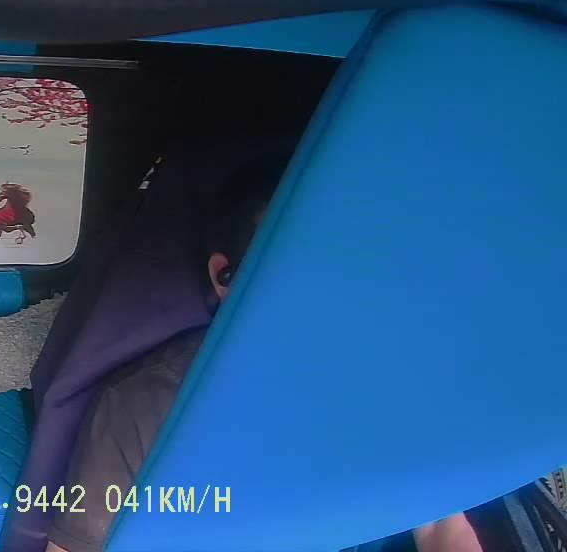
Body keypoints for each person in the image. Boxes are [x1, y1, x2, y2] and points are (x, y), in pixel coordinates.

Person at [45, 154, 482, 552]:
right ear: (225, 277)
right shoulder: (150, 404)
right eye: (286, 264)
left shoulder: (384, 385)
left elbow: (441, 526)